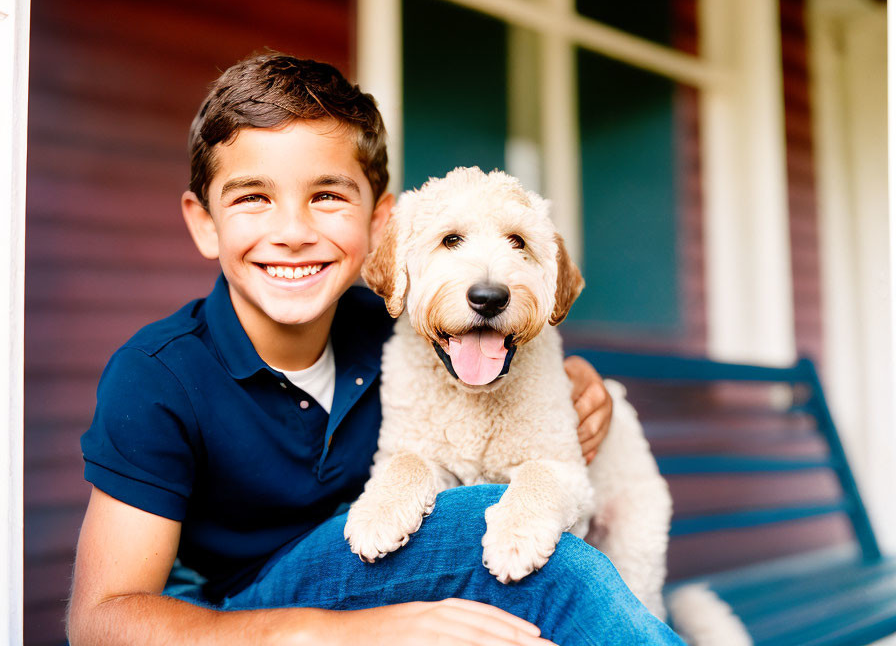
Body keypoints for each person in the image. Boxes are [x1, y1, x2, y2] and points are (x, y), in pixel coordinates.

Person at [67, 53, 684, 646]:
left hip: (381, 569)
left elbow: (499, 330)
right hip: (244, 614)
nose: (293, 233)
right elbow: (98, 623)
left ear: (380, 223)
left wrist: (573, 379)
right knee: (511, 539)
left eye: (328, 196)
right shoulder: (158, 376)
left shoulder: (398, 326)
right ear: (205, 223)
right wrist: (346, 633)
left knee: (528, 546)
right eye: (253, 197)